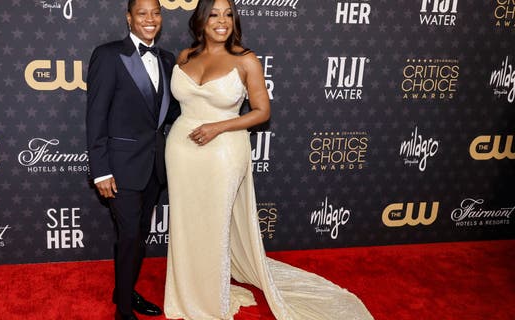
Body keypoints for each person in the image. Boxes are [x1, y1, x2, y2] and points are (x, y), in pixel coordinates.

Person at [163, 0, 374, 319]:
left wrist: (218, 126)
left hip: (223, 150)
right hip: (181, 150)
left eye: (229, 15)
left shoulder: (246, 60)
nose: (222, 21)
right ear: (201, 20)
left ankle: (209, 298)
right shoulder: (184, 57)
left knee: (214, 224)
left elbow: (262, 112)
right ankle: (185, 291)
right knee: (186, 223)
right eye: (215, 15)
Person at [85, 0, 179, 319]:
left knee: (140, 234)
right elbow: (96, 117)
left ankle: (123, 290)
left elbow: (172, 112)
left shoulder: (167, 60)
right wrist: (100, 171)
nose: (150, 19)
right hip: (120, 167)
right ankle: (123, 311)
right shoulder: (109, 55)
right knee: (129, 236)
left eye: (155, 13)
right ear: (129, 18)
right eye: (142, 13)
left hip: (154, 166)